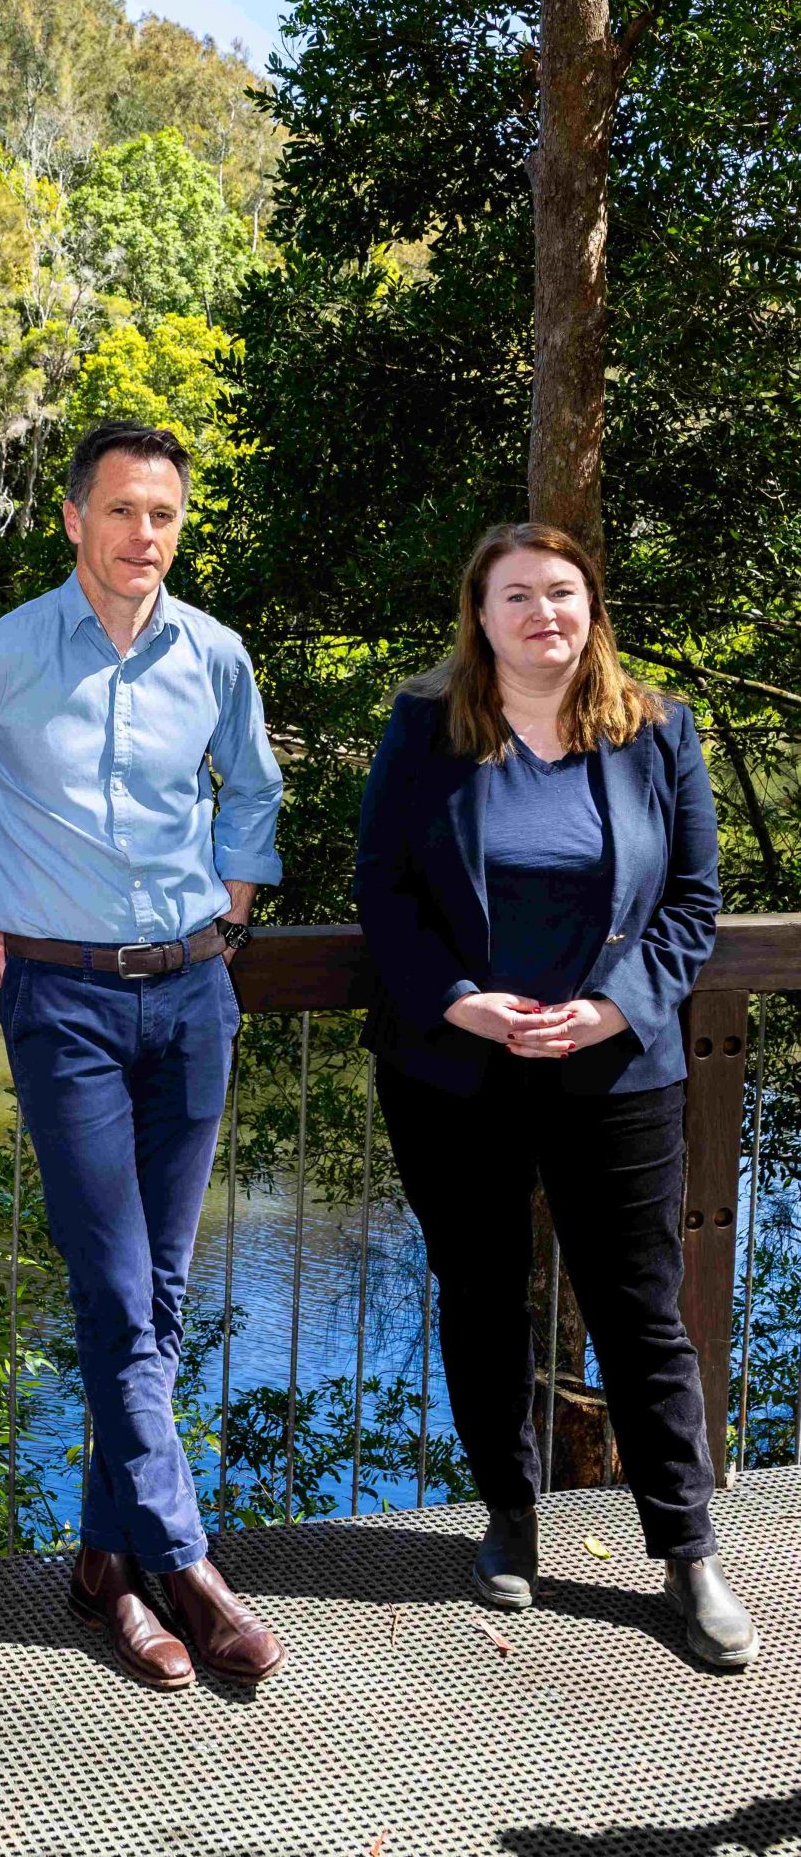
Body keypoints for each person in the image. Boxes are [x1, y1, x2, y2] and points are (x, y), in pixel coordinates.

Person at [0, 421, 286, 1693]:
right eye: (121, 510)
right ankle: (186, 1565)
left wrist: (231, 924)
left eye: (163, 514)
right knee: (113, 1288)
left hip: (191, 999)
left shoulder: (214, 654)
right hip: (66, 1008)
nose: (143, 535)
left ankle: (106, 1565)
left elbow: (254, 792)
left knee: (156, 1292)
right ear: (72, 519)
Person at [357, 520, 759, 1671]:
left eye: (562, 592)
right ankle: (509, 1512)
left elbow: (691, 901)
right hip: (455, 1068)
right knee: (481, 1294)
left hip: (615, 1067)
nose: (543, 613)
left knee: (639, 1311)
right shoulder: (424, 728)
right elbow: (382, 891)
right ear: (479, 617)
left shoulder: (656, 729)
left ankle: (686, 1551)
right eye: (517, 594)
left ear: (591, 609)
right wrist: (460, 1001)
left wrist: (613, 1007)